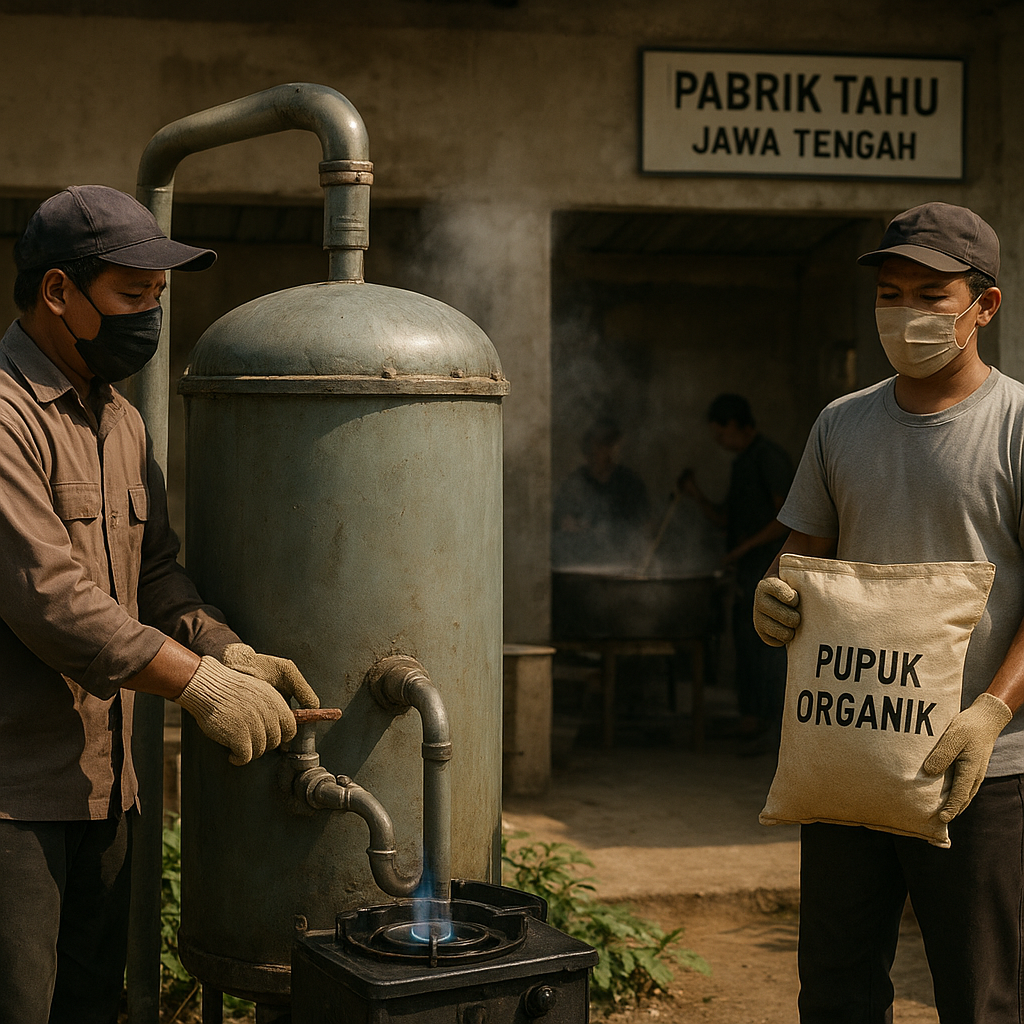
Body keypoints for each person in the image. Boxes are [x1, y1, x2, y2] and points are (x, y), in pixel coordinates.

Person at [0, 185, 319, 1024]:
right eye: (132, 296)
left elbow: (156, 573)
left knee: (89, 1006)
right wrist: (196, 686)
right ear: (58, 291)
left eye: (158, 300)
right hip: (12, 800)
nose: (150, 319)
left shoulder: (123, 423)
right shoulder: (5, 419)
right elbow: (49, 596)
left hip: (105, 789)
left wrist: (223, 650)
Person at [753, 202, 1024, 1022]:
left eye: (931, 294)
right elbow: (807, 561)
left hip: (979, 773)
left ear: (985, 306)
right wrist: (777, 596)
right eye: (891, 293)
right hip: (849, 755)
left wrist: (990, 711)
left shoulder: (1016, 426)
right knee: (835, 990)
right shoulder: (842, 423)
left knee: (981, 1000)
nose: (906, 313)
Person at [680, 394, 793, 745]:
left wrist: (740, 550)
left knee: (768, 649)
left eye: (719, 433)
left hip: (771, 570)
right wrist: (696, 494)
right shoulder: (741, 463)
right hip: (746, 574)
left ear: (734, 425)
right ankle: (750, 719)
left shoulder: (769, 458)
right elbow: (726, 518)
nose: (719, 441)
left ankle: (771, 727)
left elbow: (786, 519)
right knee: (746, 644)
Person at [552, 416, 651, 568]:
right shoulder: (575, 483)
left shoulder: (629, 483)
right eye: (595, 445)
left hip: (621, 563)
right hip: (581, 563)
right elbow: (560, 520)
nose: (598, 451)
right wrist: (569, 523)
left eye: (605, 445)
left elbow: (644, 526)